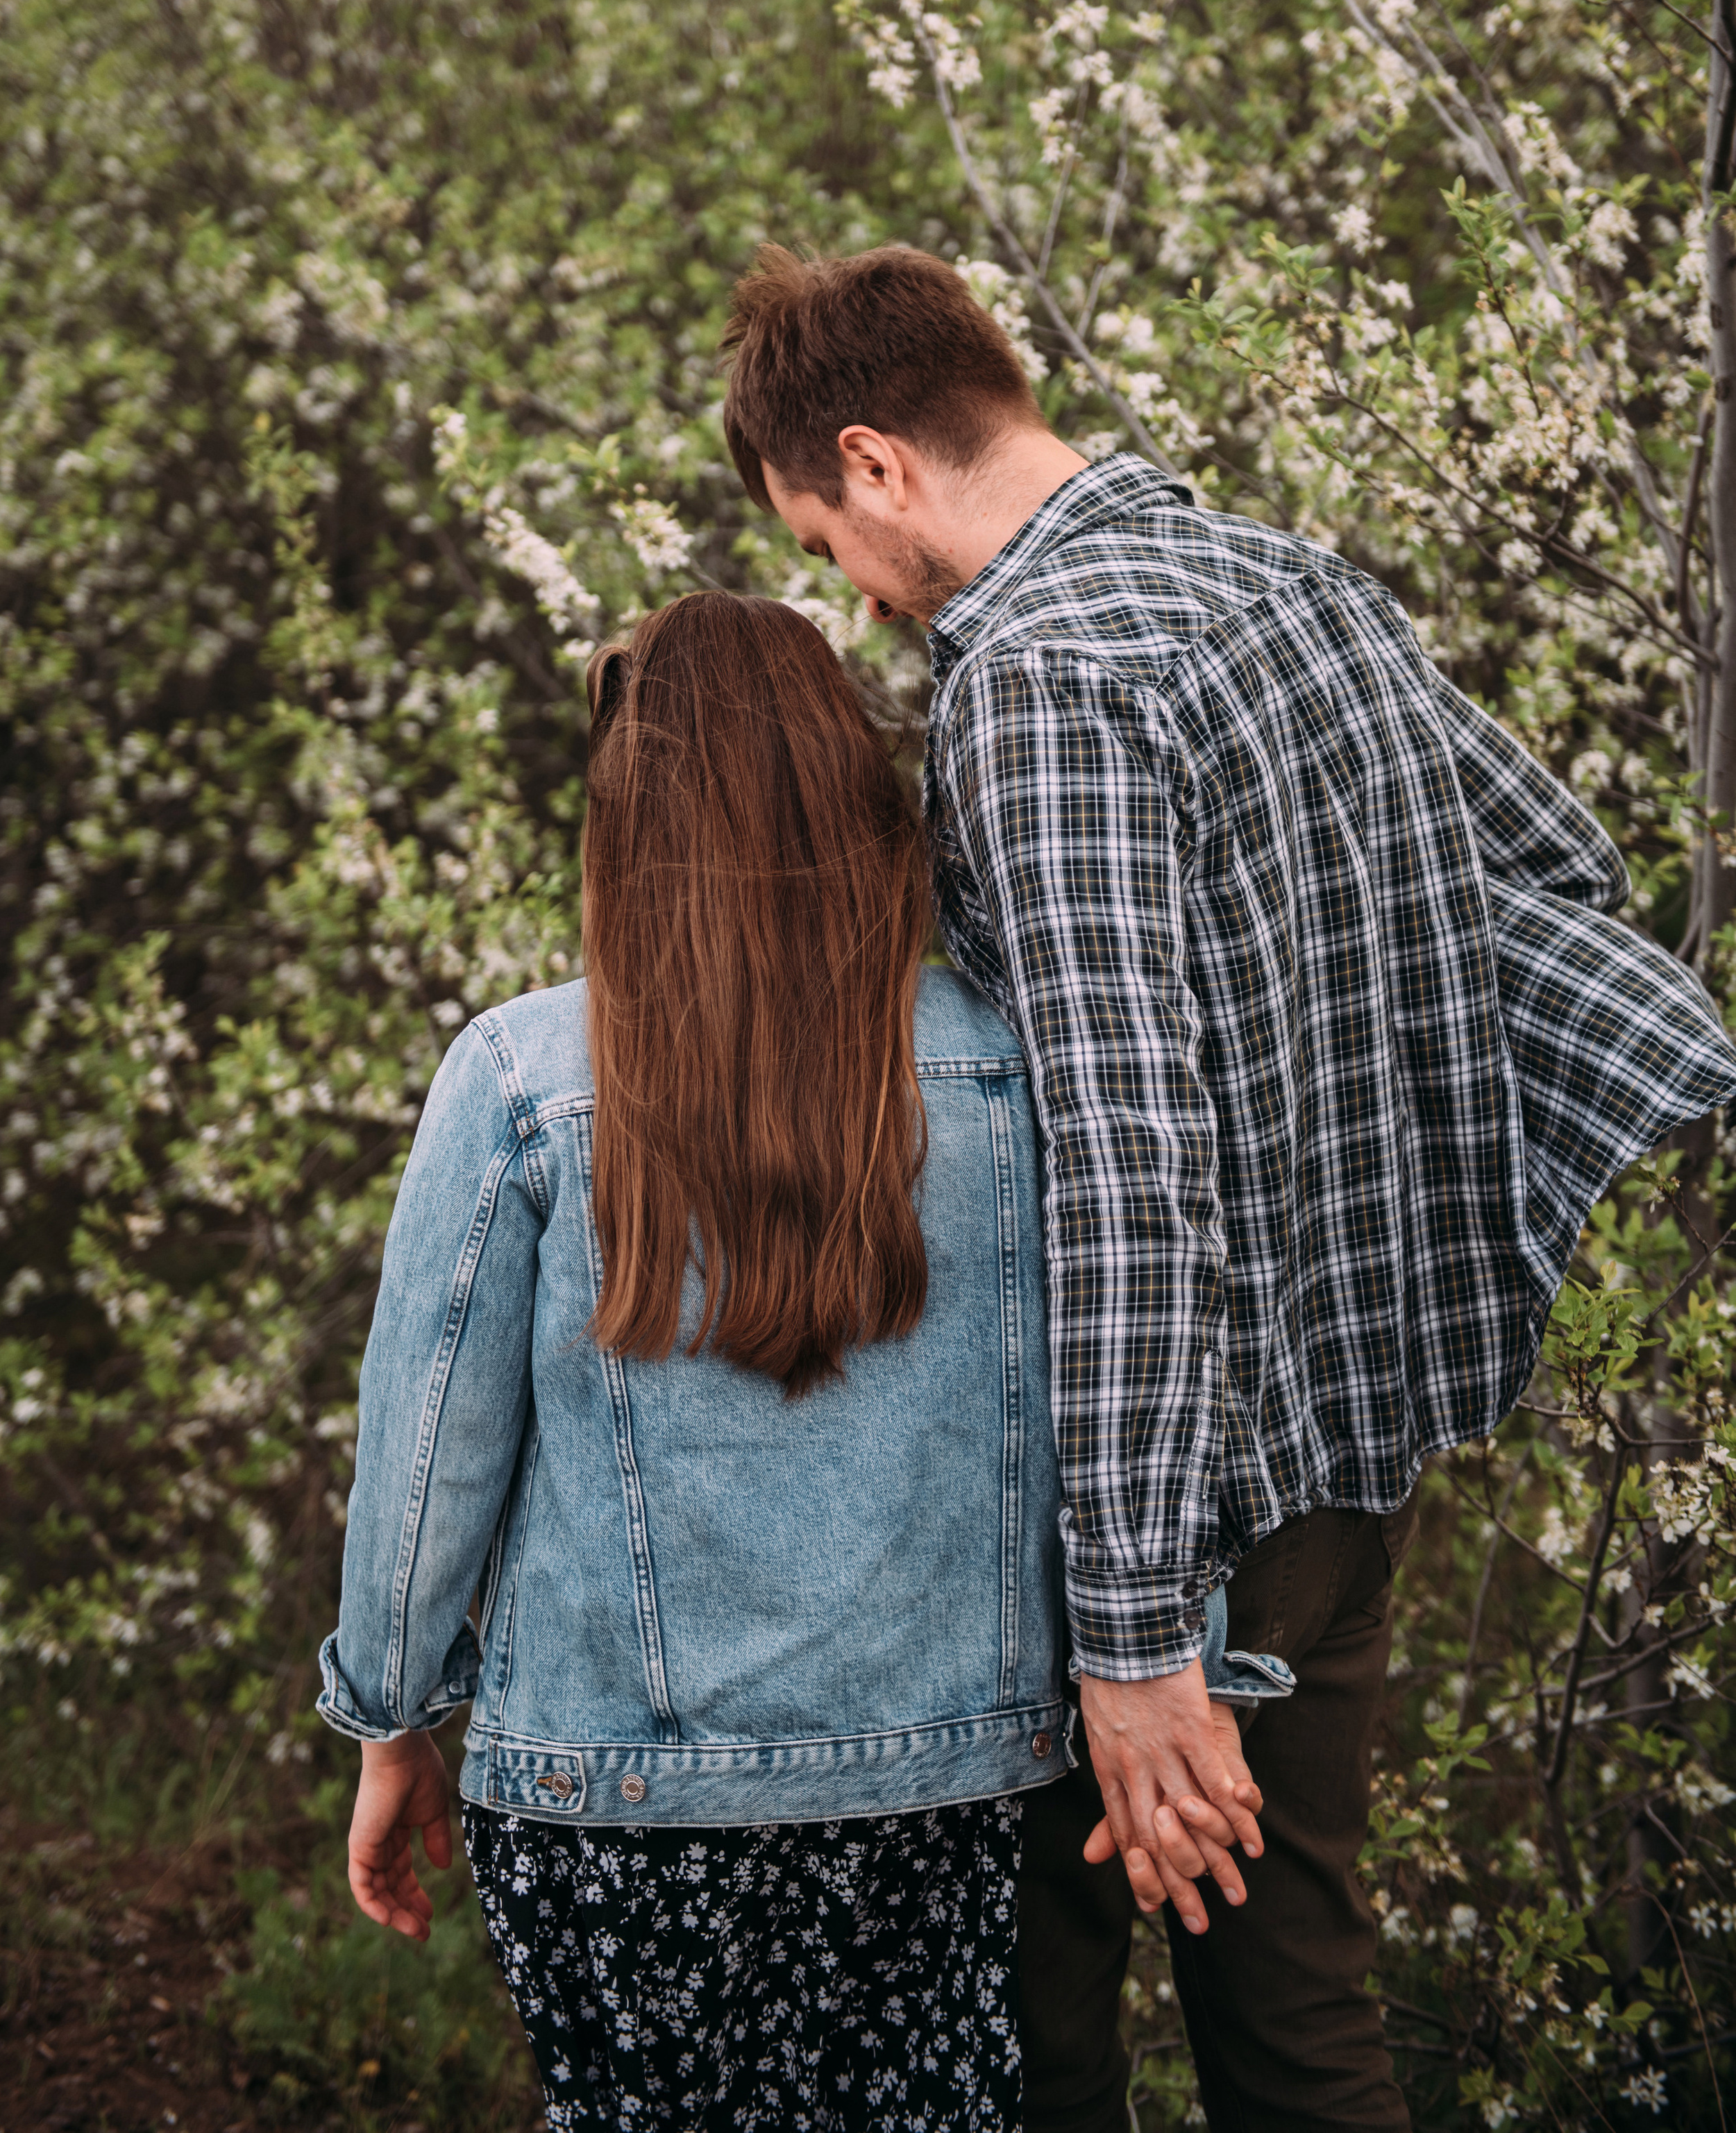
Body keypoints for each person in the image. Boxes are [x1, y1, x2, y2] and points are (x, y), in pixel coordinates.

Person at [720, 240, 1736, 2133]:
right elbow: (1557, 866)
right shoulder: (1290, 581)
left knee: (1039, 2043)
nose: (846, 604)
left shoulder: (1036, 679)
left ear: (871, 462)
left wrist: (1133, 1642)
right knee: (1301, 2025)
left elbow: (1130, 1169)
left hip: (1177, 1515)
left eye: (822, 543)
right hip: (1362, 1458)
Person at [317, 589, 1283, 2132]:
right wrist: (1190, 1654)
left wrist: (389, 1721)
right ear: (859, 800)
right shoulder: (1010, 1064)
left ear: (624, 827)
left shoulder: (516, 1076)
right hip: (944, 1797)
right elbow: (1122, 1373)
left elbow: (428, 1458)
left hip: (610, 1804)